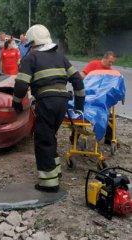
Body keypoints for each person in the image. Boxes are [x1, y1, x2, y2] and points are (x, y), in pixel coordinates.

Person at [12, 24, 85, 193]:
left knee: (43, 140)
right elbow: (78, 81)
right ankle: (55, 171)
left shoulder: (31, 59)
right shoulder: (61, 57)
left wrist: (16, 103)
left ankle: (49, 183)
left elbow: (21, 84)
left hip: (46, 102)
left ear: (33, 43)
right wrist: (79, 107)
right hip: (62, 103)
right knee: (50, 135)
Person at [80, 51, 116, 145]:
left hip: (101, 99)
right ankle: (74, 137)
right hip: (89, 96)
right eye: (110, 61)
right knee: (80, 113)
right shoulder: (94, 64)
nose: (111, 64)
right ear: (104, 58)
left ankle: (108, 140)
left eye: (112, 62)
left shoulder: (111, 72)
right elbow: (82, 75)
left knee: (108, 115)